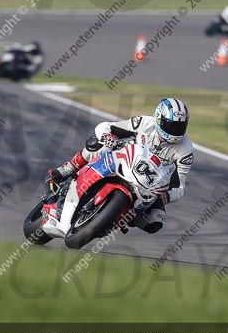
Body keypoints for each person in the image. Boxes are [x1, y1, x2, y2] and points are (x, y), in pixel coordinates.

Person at [48, 98, 194, 234]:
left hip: (149, 185)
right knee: (98, 145)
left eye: (180, 127)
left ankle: (116, 219)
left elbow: (179, 187)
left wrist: (165, 196)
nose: (176, 131)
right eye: (171, 125)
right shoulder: (144, 123)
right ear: (158, 119)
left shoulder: (186, 150)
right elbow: (108, 127)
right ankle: (70, 167)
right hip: (125, 159)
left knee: (155, 221)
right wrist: (108, 136)